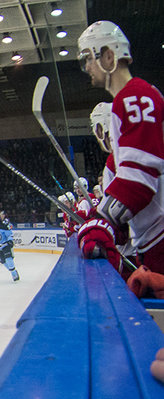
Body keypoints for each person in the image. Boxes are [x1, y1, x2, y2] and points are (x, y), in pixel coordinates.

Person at [77, 20, 164, 276]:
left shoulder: (135, 96)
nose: (87, 68)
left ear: (107, 55)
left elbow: (139, 181)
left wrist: (101, 221)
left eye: (87, 59)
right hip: (152, 238)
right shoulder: (133, 97)